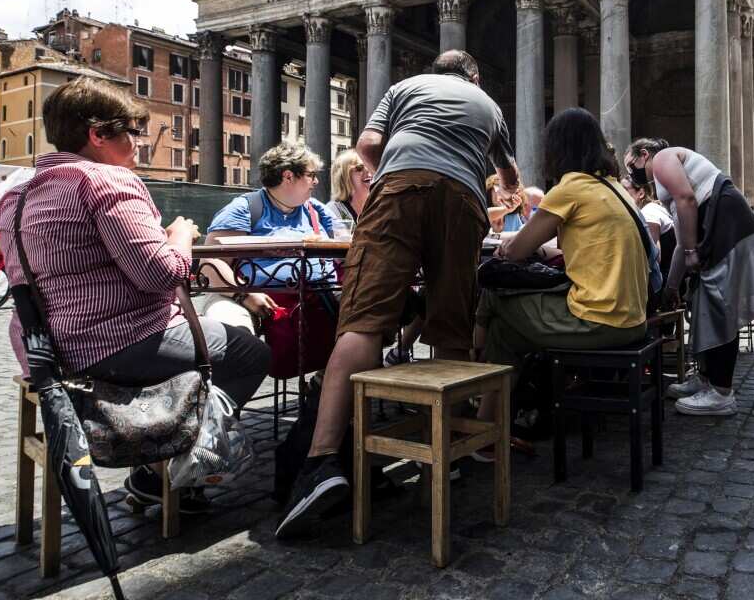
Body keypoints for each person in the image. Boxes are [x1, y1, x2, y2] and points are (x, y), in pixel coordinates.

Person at [0, 77, 269, 510]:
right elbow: (162, 274)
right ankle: (167, 469)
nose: (138, 142)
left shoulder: (17, 193)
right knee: (250, 352)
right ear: (98, 134)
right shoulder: (106, 181)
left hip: (43, 352)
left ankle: (164, 464)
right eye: (132, 131)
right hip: (115, 345)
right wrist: (180, 235)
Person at [277, 49, 519, 538]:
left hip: (399, 190)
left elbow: (367, 145)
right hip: (463, 200)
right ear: (473, 78)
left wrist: (400, 167)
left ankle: (321, 463)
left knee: (363, 321)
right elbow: (509, 175)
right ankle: (444, 455)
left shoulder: (405, 88)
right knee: (452, 327)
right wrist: (505, 187)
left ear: (435, 72)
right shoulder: (488, 105)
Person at [472, 108, 649, 425]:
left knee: (494, 296)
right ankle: (491, 424)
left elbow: (516, 250)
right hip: (634, 318)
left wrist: (508, 247)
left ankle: (473, 374)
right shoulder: (614, 188)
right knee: (504, 332)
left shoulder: (571, 188)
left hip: (599, 320)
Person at [625, 138, 754, 416]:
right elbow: (681, 241)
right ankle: (705, 378)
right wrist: (672, 286)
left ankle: (721, 393)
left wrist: (692, 251)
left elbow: (687, 200)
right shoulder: (665, 183)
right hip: (718, 224)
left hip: (727, 223)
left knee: (720, 306)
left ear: (644, 154)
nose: (632, 173)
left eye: (631, 165)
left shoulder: (663, 158)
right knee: (702, 301)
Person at [201, 141, 335, 330]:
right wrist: (245, 295)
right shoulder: (245, 209)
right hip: (260, 302)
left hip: (323, 296)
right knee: (232, 324)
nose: (316, 181)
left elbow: (344, 242)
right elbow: (210, 264)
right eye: (311, 175)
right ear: (288, 176)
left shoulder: (317, 209)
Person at [623, 172, 676, 273]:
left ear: (641, 193)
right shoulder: (652, 207)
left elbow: (655, 258)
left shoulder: (648, 214)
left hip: (668, 274)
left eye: (624, 190)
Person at [324, 149, 372, 227]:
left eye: (369, 166)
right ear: (344, 177)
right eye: (359, 168)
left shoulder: (378, 207)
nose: (368, 172)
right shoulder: (332, 211)